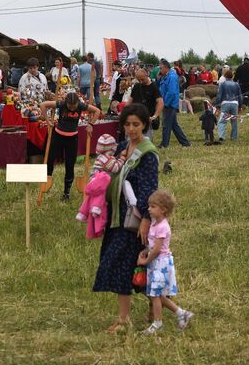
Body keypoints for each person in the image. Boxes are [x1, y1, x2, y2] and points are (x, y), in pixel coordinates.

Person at [93, 103, 160, 333]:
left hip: (135, 219)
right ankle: (145, 309)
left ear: (144, 125)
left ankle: (129, 317)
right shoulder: (121, 147)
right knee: (128, 266)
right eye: (127, 124)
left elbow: (150, 189)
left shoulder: (148, 154)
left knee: (134, 265)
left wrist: (146, 219)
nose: (131, 129)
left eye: (136, 125)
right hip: (116, 216)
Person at [136, 189, 194, 335]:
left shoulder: (162, 227)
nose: (149, 209)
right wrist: (144, 251)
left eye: (153, 206)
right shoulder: (155, 224)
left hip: (160, 263)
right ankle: (182, 313)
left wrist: (146, 260)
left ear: (163, 210)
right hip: (155, 262)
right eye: (149, 206)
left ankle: (158, 323)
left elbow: (156, 250)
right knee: (157, 294)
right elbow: (152, 245)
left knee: (155, 295)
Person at [39, 92, 101, 201]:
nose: (72, 109)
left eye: (74, 106)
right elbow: (43, 104)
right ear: (66, 103)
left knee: (70, 164)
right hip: (57, 136)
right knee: (50, 160)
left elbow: (97, 111)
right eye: (70, 106)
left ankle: (66, 193)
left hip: (72, 139)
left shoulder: (81, 105)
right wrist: (48, 121)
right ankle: (46, 186)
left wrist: (91, 124)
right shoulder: (61, 104)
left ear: (78, 103)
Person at [157, 59, 191, 148]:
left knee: (166, 124)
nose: (159, 70)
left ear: (165, 68)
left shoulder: (171, 77)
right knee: (173, 125)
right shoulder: (166, 76)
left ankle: (164, 144)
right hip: (169, 103)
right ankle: (185, 143)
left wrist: (164, 103)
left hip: (169, 104)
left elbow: (171, 92)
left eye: (160, 68)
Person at [127, 68, 163, 141]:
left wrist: (154, 116)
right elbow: (129, 101)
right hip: (135, 118)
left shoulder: (153, 87)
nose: (140, 81)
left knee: (146, 142)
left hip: (147, 120)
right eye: (138, 80)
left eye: (142, 79)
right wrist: (124, 112)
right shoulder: (136, 87)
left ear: (147, 75)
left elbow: (160, 102)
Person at [215, 69, 241, 142]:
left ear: (225, 76)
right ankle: (234, 137)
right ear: (232, 76)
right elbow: (240, 96)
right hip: (235, 104)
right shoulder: (236, 84)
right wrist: (240, 106)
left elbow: (219, 95)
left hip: (225, 103)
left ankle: (221, 136)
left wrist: (217, 105)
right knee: (234, 121)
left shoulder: (223, 84)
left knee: (222, 121)